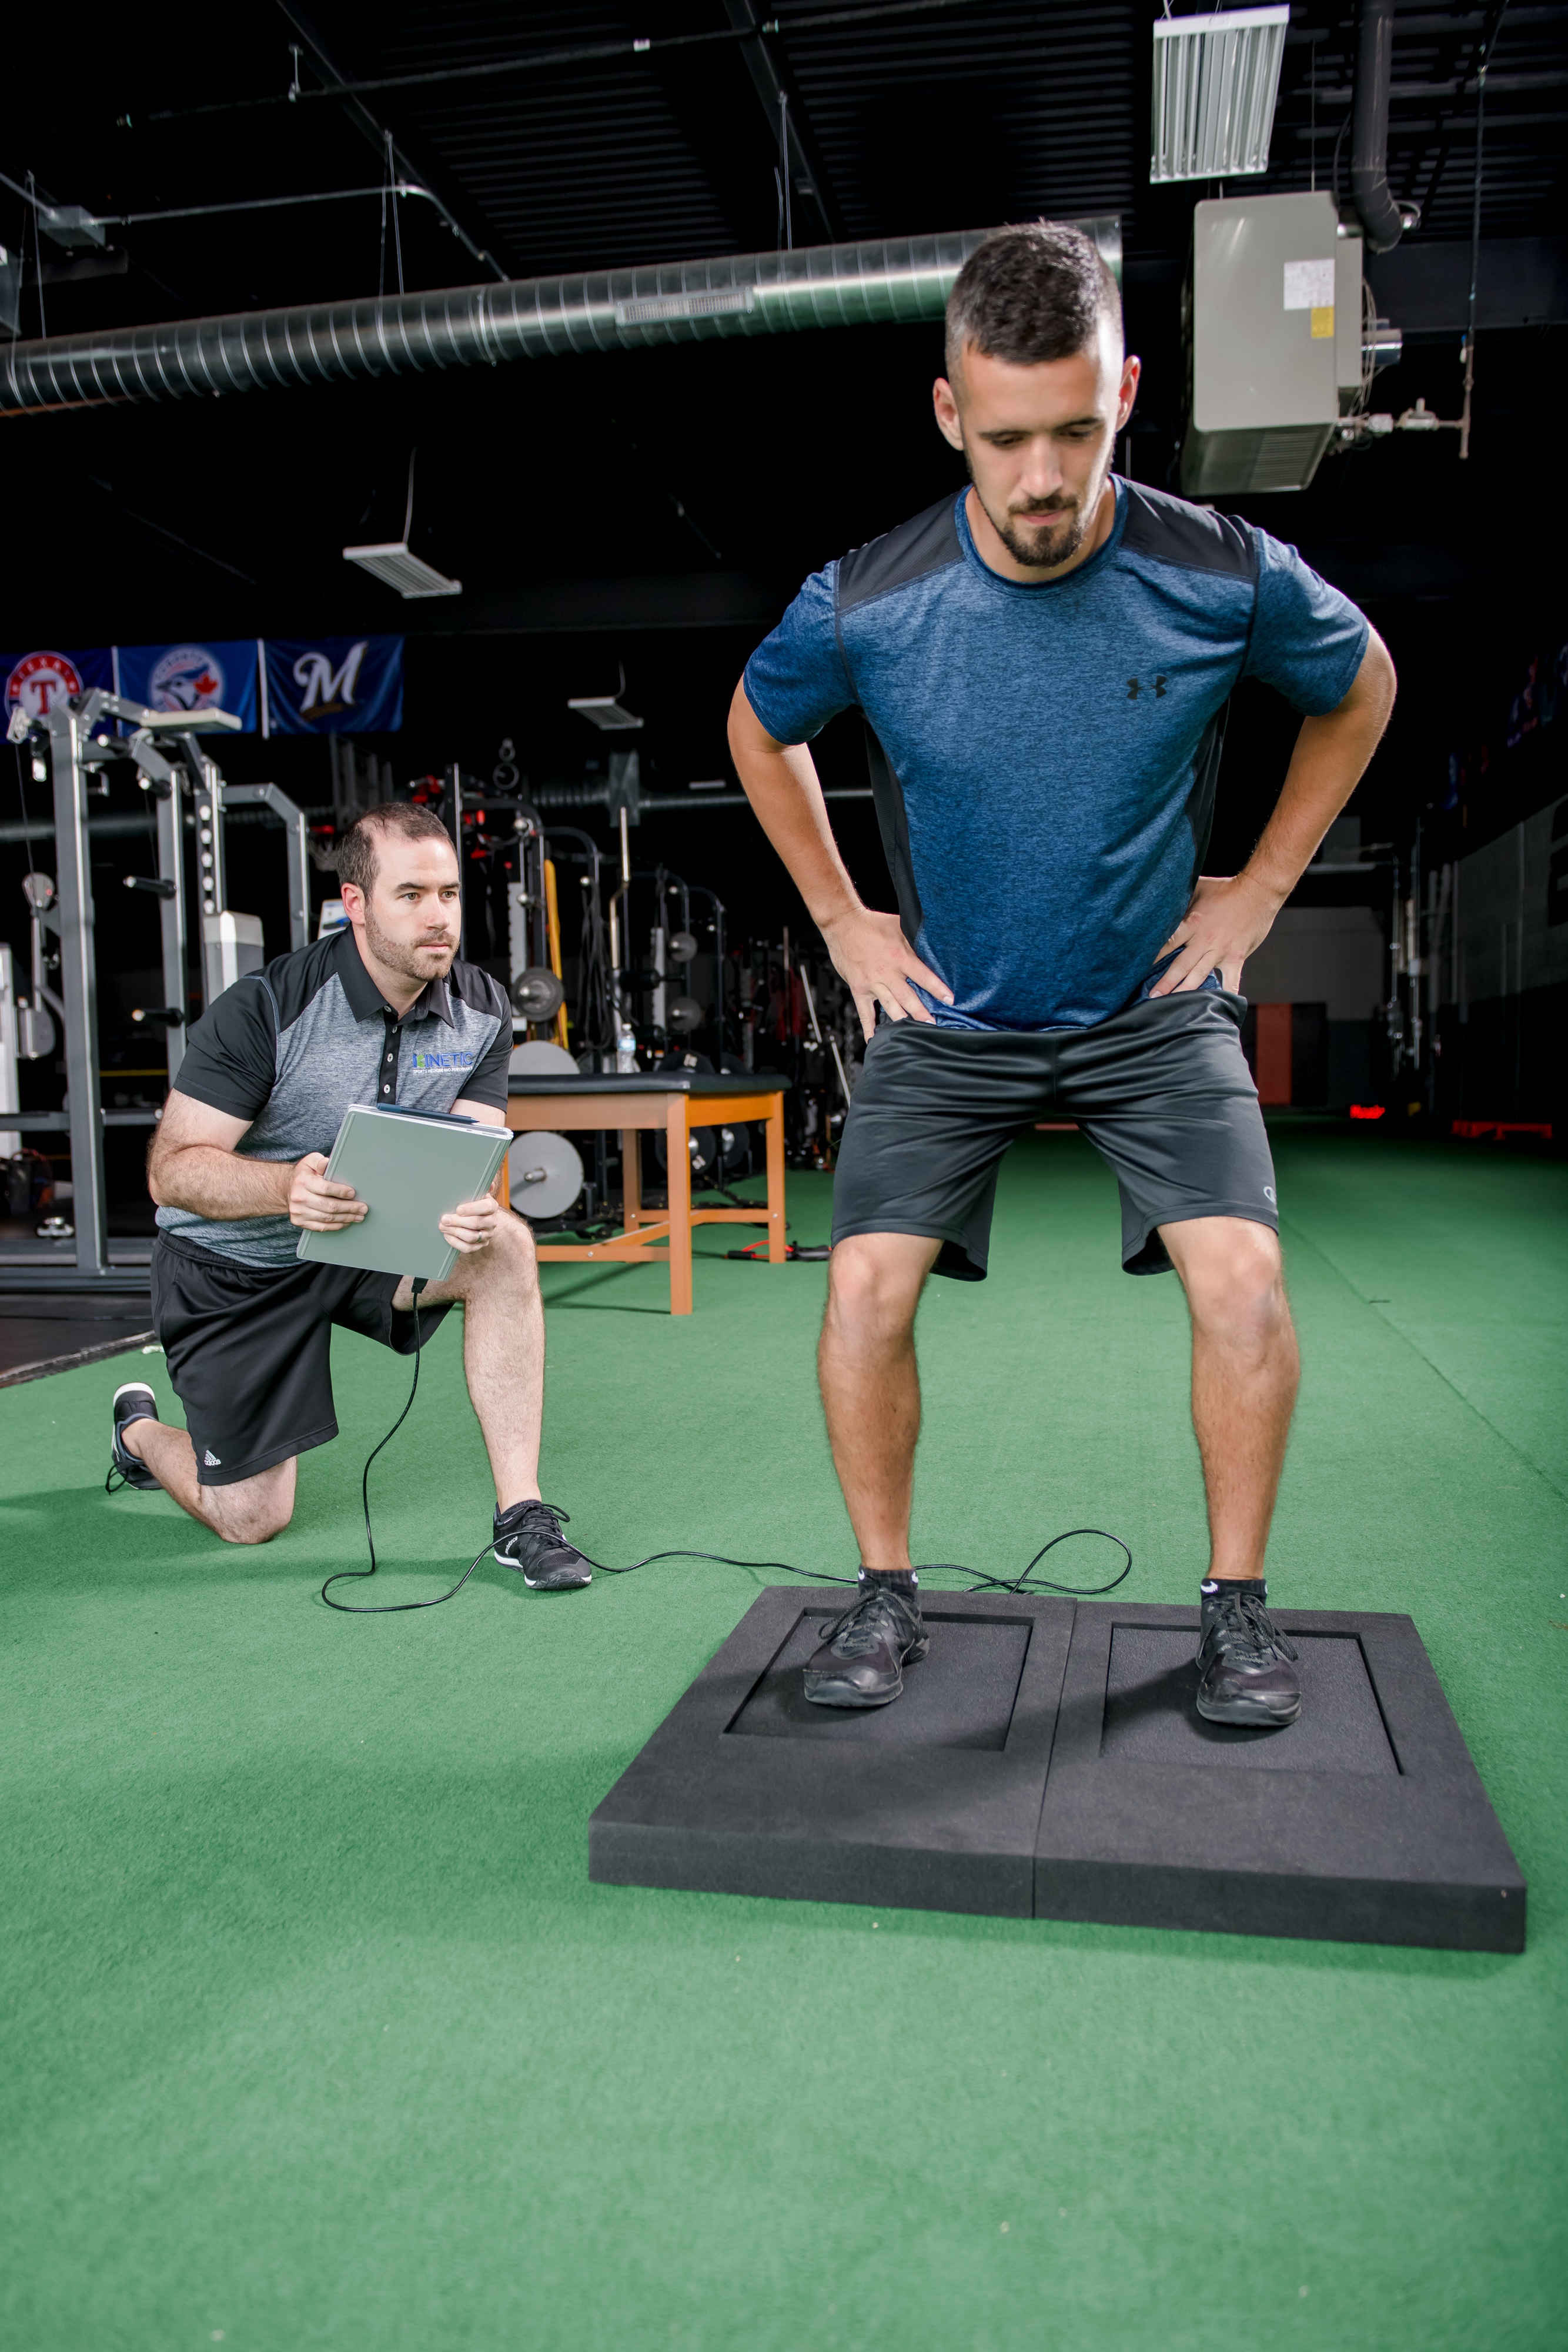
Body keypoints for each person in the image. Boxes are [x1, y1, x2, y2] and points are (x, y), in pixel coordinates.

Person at [728, 222, 1395, 1725]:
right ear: (950, 412)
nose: (1042, 478)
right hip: (950, 1010)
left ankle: (1232, 1610)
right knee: (862, 1289)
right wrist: (843, 921)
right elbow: (753, 727)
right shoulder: (873, 596)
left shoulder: (1214, 569)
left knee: (1243, 1282)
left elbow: (1360, 686)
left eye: (1079, 431)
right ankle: (885, 1594)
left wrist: (1262, 886)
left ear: (1128, 395)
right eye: (1009, 434)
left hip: (1149, 1006)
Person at [108, 799, 593, 1591]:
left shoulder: (481, 1012)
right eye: (411, 896)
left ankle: (522, 1516)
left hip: (370, 1244)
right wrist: (284, 1188)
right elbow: (173, 1170)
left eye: (448, 895)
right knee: (251, 1519)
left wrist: (472, 1205)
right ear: (358, 906)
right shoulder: (266, 1008)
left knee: (502, 1242)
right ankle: (137, 1435)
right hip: (235, 1267)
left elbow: (471, 1153)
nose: (439, 919)